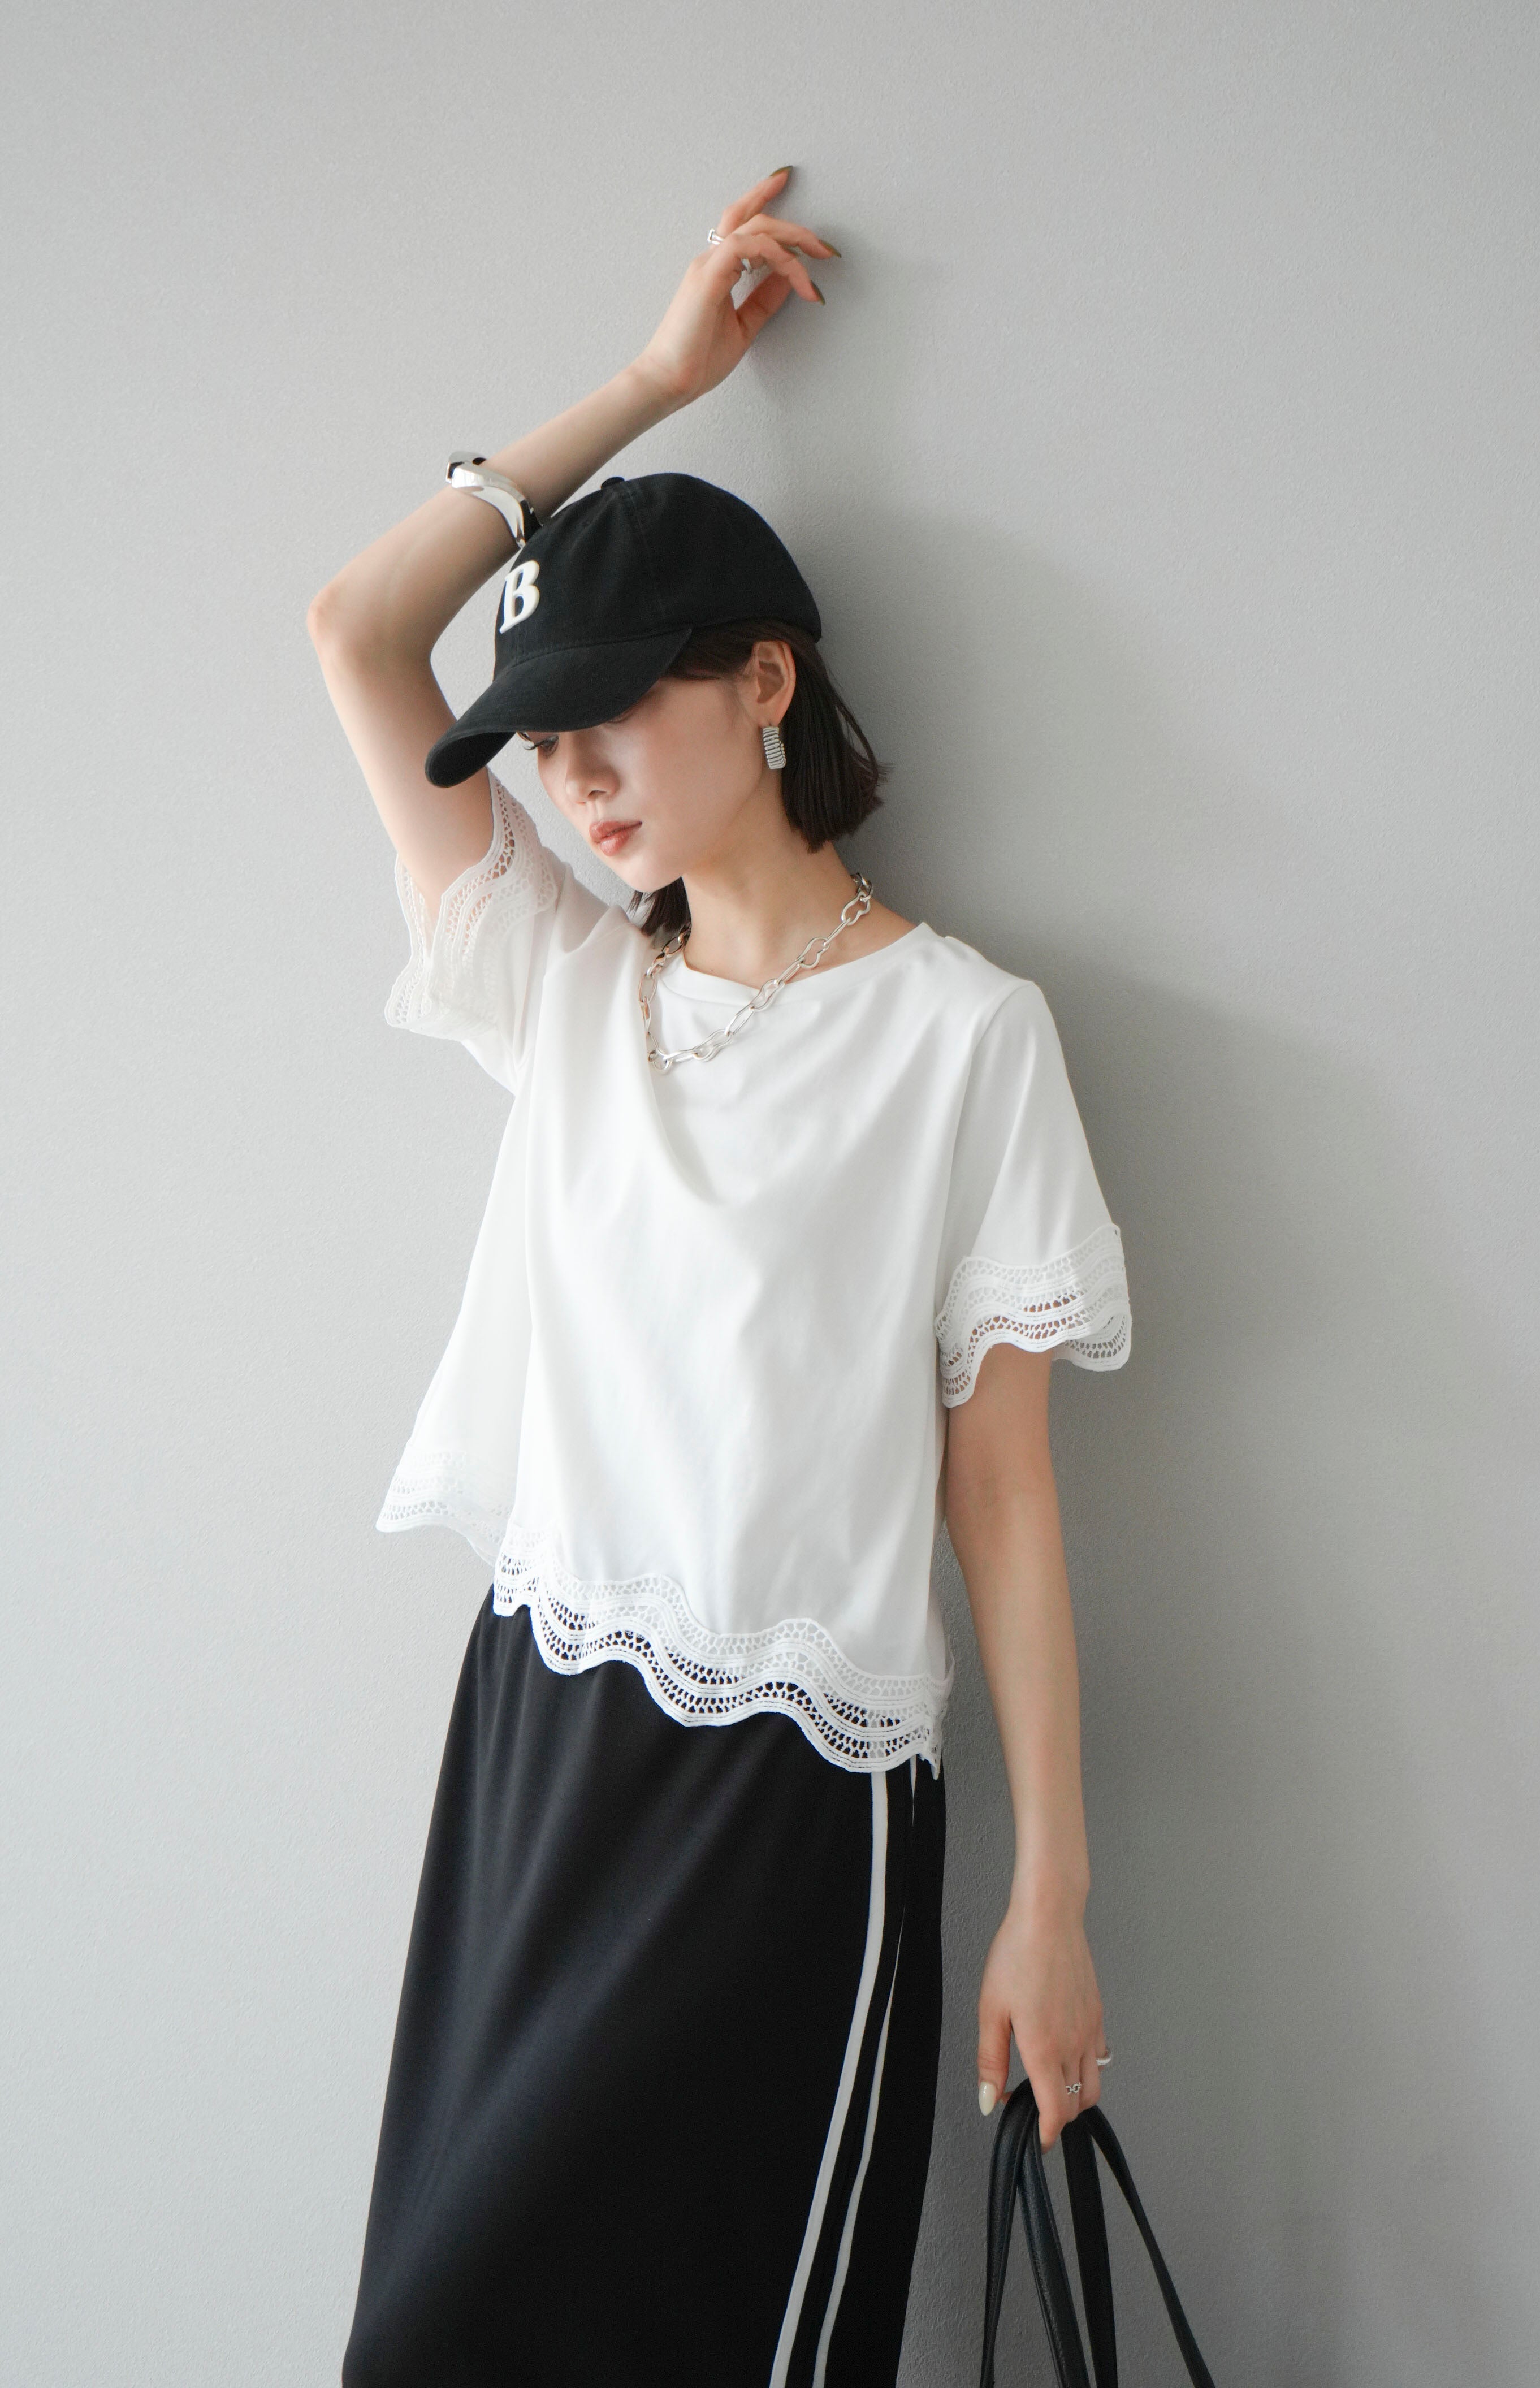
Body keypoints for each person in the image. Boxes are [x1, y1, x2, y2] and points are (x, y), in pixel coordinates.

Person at [307, 169, 1133, 2388]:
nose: (568, 781)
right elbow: (359, 634)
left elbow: (1004, 1495)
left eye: (610, 714)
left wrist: (1051, 1901)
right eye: (539, 741)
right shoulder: (570, 993)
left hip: (788, 1799)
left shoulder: (965, 1039)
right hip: (539, 1742)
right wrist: (648, 382)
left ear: (766, 681)